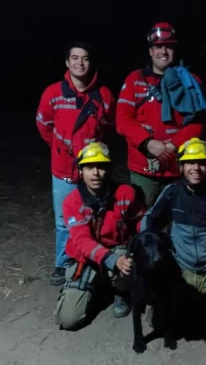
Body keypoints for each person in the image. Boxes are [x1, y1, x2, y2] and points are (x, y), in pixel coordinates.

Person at [139, 137, 206, 335]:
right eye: (190, 162)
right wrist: (150, 249)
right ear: (181, 166)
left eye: (202, 162)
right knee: (158, 321)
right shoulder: (172, 192)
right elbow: (150, 219)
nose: (196, 168)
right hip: (181, 268)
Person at [36, 41, 117, 286]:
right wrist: (60, 150)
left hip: (94, 171)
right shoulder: (53, 93)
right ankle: (62, 264)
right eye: (75, 58)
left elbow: (111, 127)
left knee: (97, 217)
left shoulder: (103, 95)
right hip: (63, 171)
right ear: (67, 62)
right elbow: (43, 125)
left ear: (91, 62)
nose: (80, 63)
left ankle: (94, 261)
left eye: (85, 58)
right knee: (63, 221)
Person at [54, 142, 144, 329]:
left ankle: (122, 289)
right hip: (86, 257)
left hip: (118, 249)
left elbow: (140, 222)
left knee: (128, 259)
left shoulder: (126, 193)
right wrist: (110, 259)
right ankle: (93, 286)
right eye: (89, 167)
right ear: (80, 171)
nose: (95, 173)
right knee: (68, 320)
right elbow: (82, 241)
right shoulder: (72, 202)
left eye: (101, 166)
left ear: (109, 169)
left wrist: (144, 246)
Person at [116, 22, 206, 208]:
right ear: (150, 51)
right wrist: (148, 143)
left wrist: (173, 145)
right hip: (143, 169)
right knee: (142, 221)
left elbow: (198, 122)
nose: (163, 51)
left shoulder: (190, 80)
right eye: (158, 46)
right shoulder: (135, 79)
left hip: (179, 167)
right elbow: (122, 120)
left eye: (169, 46)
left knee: (178, 222)